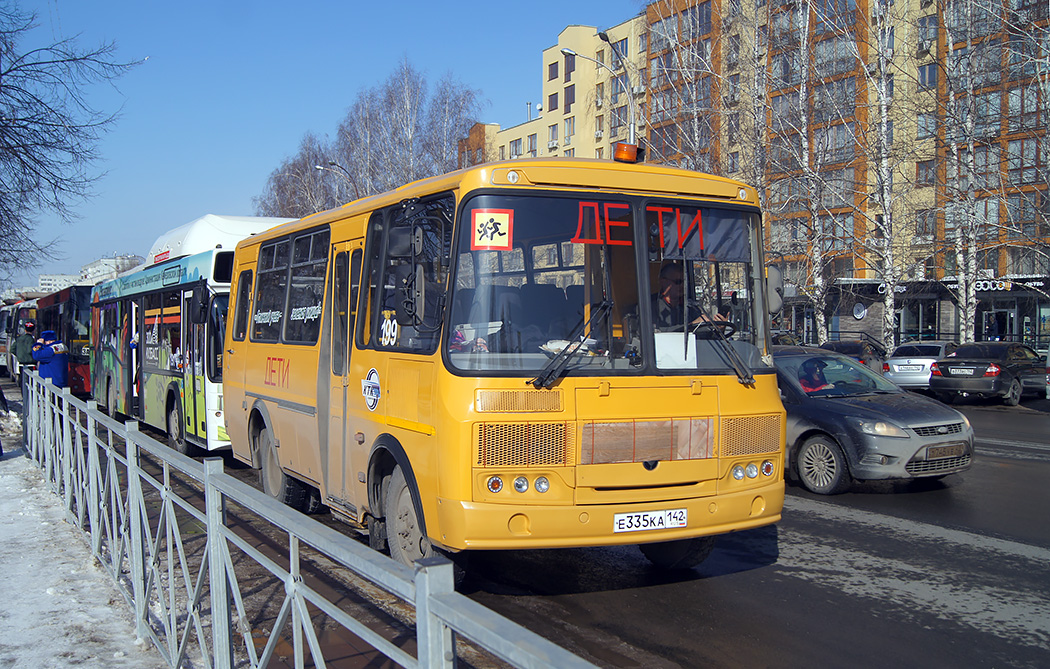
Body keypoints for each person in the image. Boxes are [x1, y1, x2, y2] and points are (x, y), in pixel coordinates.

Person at [650, 262, 728, 331]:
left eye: (685, 282)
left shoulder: (691, 307)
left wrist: (718, 328)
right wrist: (691, 325)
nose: (683, 286)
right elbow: (656, 333)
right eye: (678, 282)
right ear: (663, 282)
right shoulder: (649, 307)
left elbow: (704, 336)